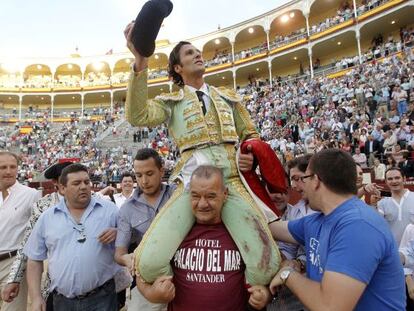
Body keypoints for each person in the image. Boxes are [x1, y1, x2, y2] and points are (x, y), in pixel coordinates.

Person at [123, 23, 282, 285]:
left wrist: (249, 154)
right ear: (178, 68)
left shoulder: (228, 98)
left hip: (230, 183)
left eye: (198, 51)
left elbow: (250, 135)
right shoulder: (170, 103)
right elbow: (137, 115)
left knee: (266, 265)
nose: (198, 54)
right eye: (189, 53)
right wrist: (140, 62)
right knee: (149, 265)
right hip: (191, 185)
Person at [269, 149, 405, 310]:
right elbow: (270, 228)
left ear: (316, 180)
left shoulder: (358, 225)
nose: (298, 185)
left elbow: (331, 307)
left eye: (304, 178)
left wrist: (287, 274)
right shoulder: (318, 220)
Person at [136, 165, 271, 310]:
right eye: (195, 196)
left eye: (211, 196)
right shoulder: (173, 233)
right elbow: (140, 272)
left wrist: (265, 294)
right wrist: (151, 294)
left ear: (225, 194)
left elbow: (269, 272)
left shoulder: (243, 232)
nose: (202, 204)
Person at [24, 164, 119, 311]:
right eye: (76, 183)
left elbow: (132, 240)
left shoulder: (111, 211)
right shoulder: (47, 218)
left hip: (103, 298)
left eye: (86, 182)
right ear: (62, 189)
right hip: (62, 301)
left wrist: (119, 233)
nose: (83, 187)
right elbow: (34, 259)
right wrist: (36, 297)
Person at [1, 160, 73, 311]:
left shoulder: (99, 202)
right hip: (57, 281)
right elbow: (27, 243)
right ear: (56, 182)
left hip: (98, 285)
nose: (73, 183)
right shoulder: (43, 205)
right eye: (66, 179)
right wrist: (15, 279)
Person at [115, 148, 175, 311]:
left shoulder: (177, 195)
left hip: (185, 278)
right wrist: (126, 259)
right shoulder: (127, 209)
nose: (144, 181)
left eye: (149, 174)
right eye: (139, 175)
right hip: (147, 282)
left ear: (161, 171)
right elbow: (119, 253)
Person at [0, 151, 41, 311]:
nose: (8, 171)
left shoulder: (30, 195)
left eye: (12, 167)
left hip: (13, 262)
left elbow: (40, 229)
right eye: (3, 167)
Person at [375, 167, 414, 245]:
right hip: (392, 251)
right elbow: (377, 227)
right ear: (386, 182)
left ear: (404, 179)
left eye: (397, 178)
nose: (394, 181)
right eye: (390, 179)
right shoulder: (381, 202)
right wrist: (374, 205)